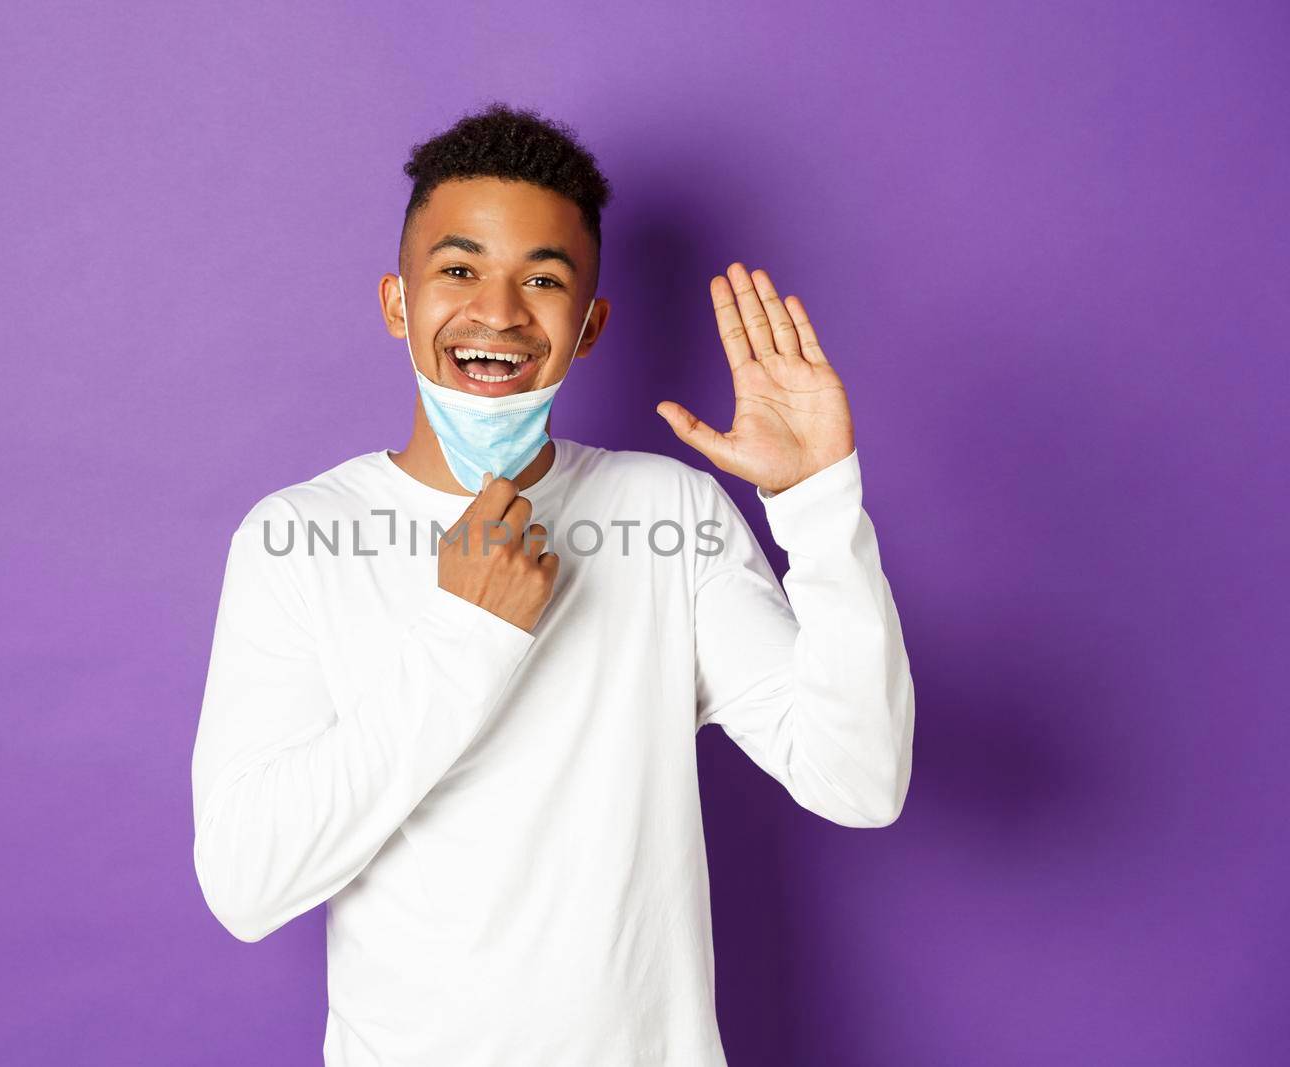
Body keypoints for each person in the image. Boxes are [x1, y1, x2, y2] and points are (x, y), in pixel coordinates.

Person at [190, 101, 915, 1066]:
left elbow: (858, 780)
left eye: (543, 279)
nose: (497, 312)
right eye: (458, 270)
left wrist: (818, 507)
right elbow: (246, 882)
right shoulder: (292, 539)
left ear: (588, 328)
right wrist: (466, 635)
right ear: (397, 303)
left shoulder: (676, 515)